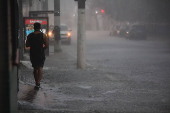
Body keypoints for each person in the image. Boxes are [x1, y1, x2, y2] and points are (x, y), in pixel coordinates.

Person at [26, 23, 48, 89]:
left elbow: (27, 45)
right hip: (40, 53)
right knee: (40, 67)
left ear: (34, 28)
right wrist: (42, 50)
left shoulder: (30, 35)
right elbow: (47, 45)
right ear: (40, 27)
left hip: (33, 53)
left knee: (35, 68)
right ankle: (38, 82)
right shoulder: (43, 35)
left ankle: (36, 82)